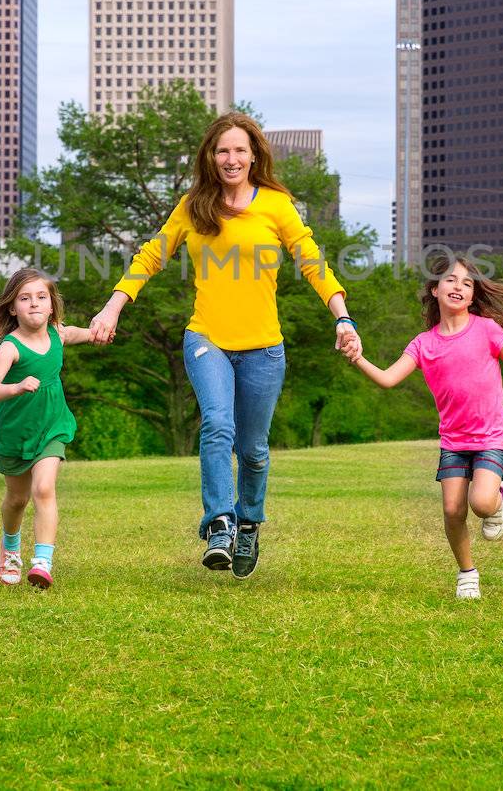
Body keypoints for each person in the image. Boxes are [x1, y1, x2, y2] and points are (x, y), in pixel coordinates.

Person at [88, 112, 361, 579]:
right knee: (217, 425)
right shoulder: (194, 204)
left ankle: (249, 521)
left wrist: (343, 318)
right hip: (207, 337)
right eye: (222, 151)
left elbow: (313, 262)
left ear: (254, 154)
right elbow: (152, 255)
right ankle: (219, 522)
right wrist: (114, 306)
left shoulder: (276, 205)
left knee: (253, 449)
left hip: (263, 348)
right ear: (210, 158)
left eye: (239, 150)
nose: (231, 158)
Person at [348, 256, 503, 599]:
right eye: (450, 280)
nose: (458, 286)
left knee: (481, 504)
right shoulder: (423, 343)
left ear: (473, 296)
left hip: (491, 438)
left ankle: (499, 493)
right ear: (435, 289)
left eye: (467, 283)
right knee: (451, 510)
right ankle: (467, 574)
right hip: (453, 443)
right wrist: (357, 357)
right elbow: (388, 379)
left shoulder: (487, 329)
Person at [0, 268, 98, 590]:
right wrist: (15, 387)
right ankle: (11, 548)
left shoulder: (56, 333)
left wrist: (96, 333)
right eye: (25, 298)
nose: (34, 304)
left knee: (43, 488)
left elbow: (74, 333)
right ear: (12, 307)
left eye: (41, 297)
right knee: (17, 499)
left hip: (52, 426)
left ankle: (42, 563)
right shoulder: (10, 348)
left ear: (51, 305)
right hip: (16, 434)